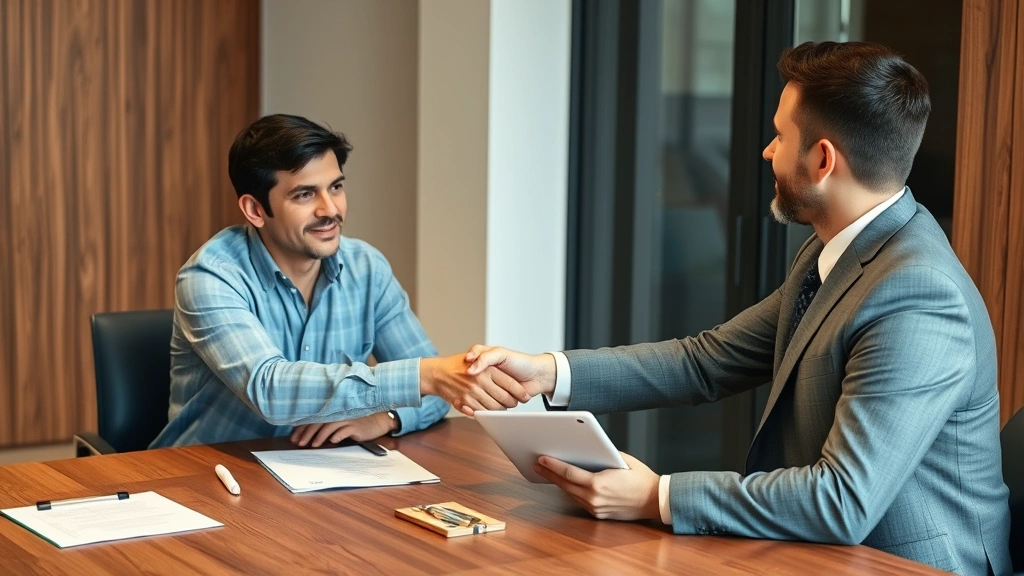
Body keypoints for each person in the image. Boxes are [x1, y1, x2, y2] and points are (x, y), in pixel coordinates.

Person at [464, 42, 1011, 575]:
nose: (768, 151)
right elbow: (705, 362)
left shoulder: (918, 296)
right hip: (819, 551)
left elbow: (843, 499)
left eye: (779, 135)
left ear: (823, 160)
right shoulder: (834, 249)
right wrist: (545, 372)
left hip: (903, 562)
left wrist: (657, 496)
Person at [151, 114, 529, 449]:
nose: (330, 209)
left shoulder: (366, 267)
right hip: (205, 479)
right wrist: (424, 375)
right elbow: (271, 390)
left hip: (317, 482)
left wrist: (386, 418)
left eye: (336, 187)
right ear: (255, 209)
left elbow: (438, 390)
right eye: (304, 194)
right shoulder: (211, 275)